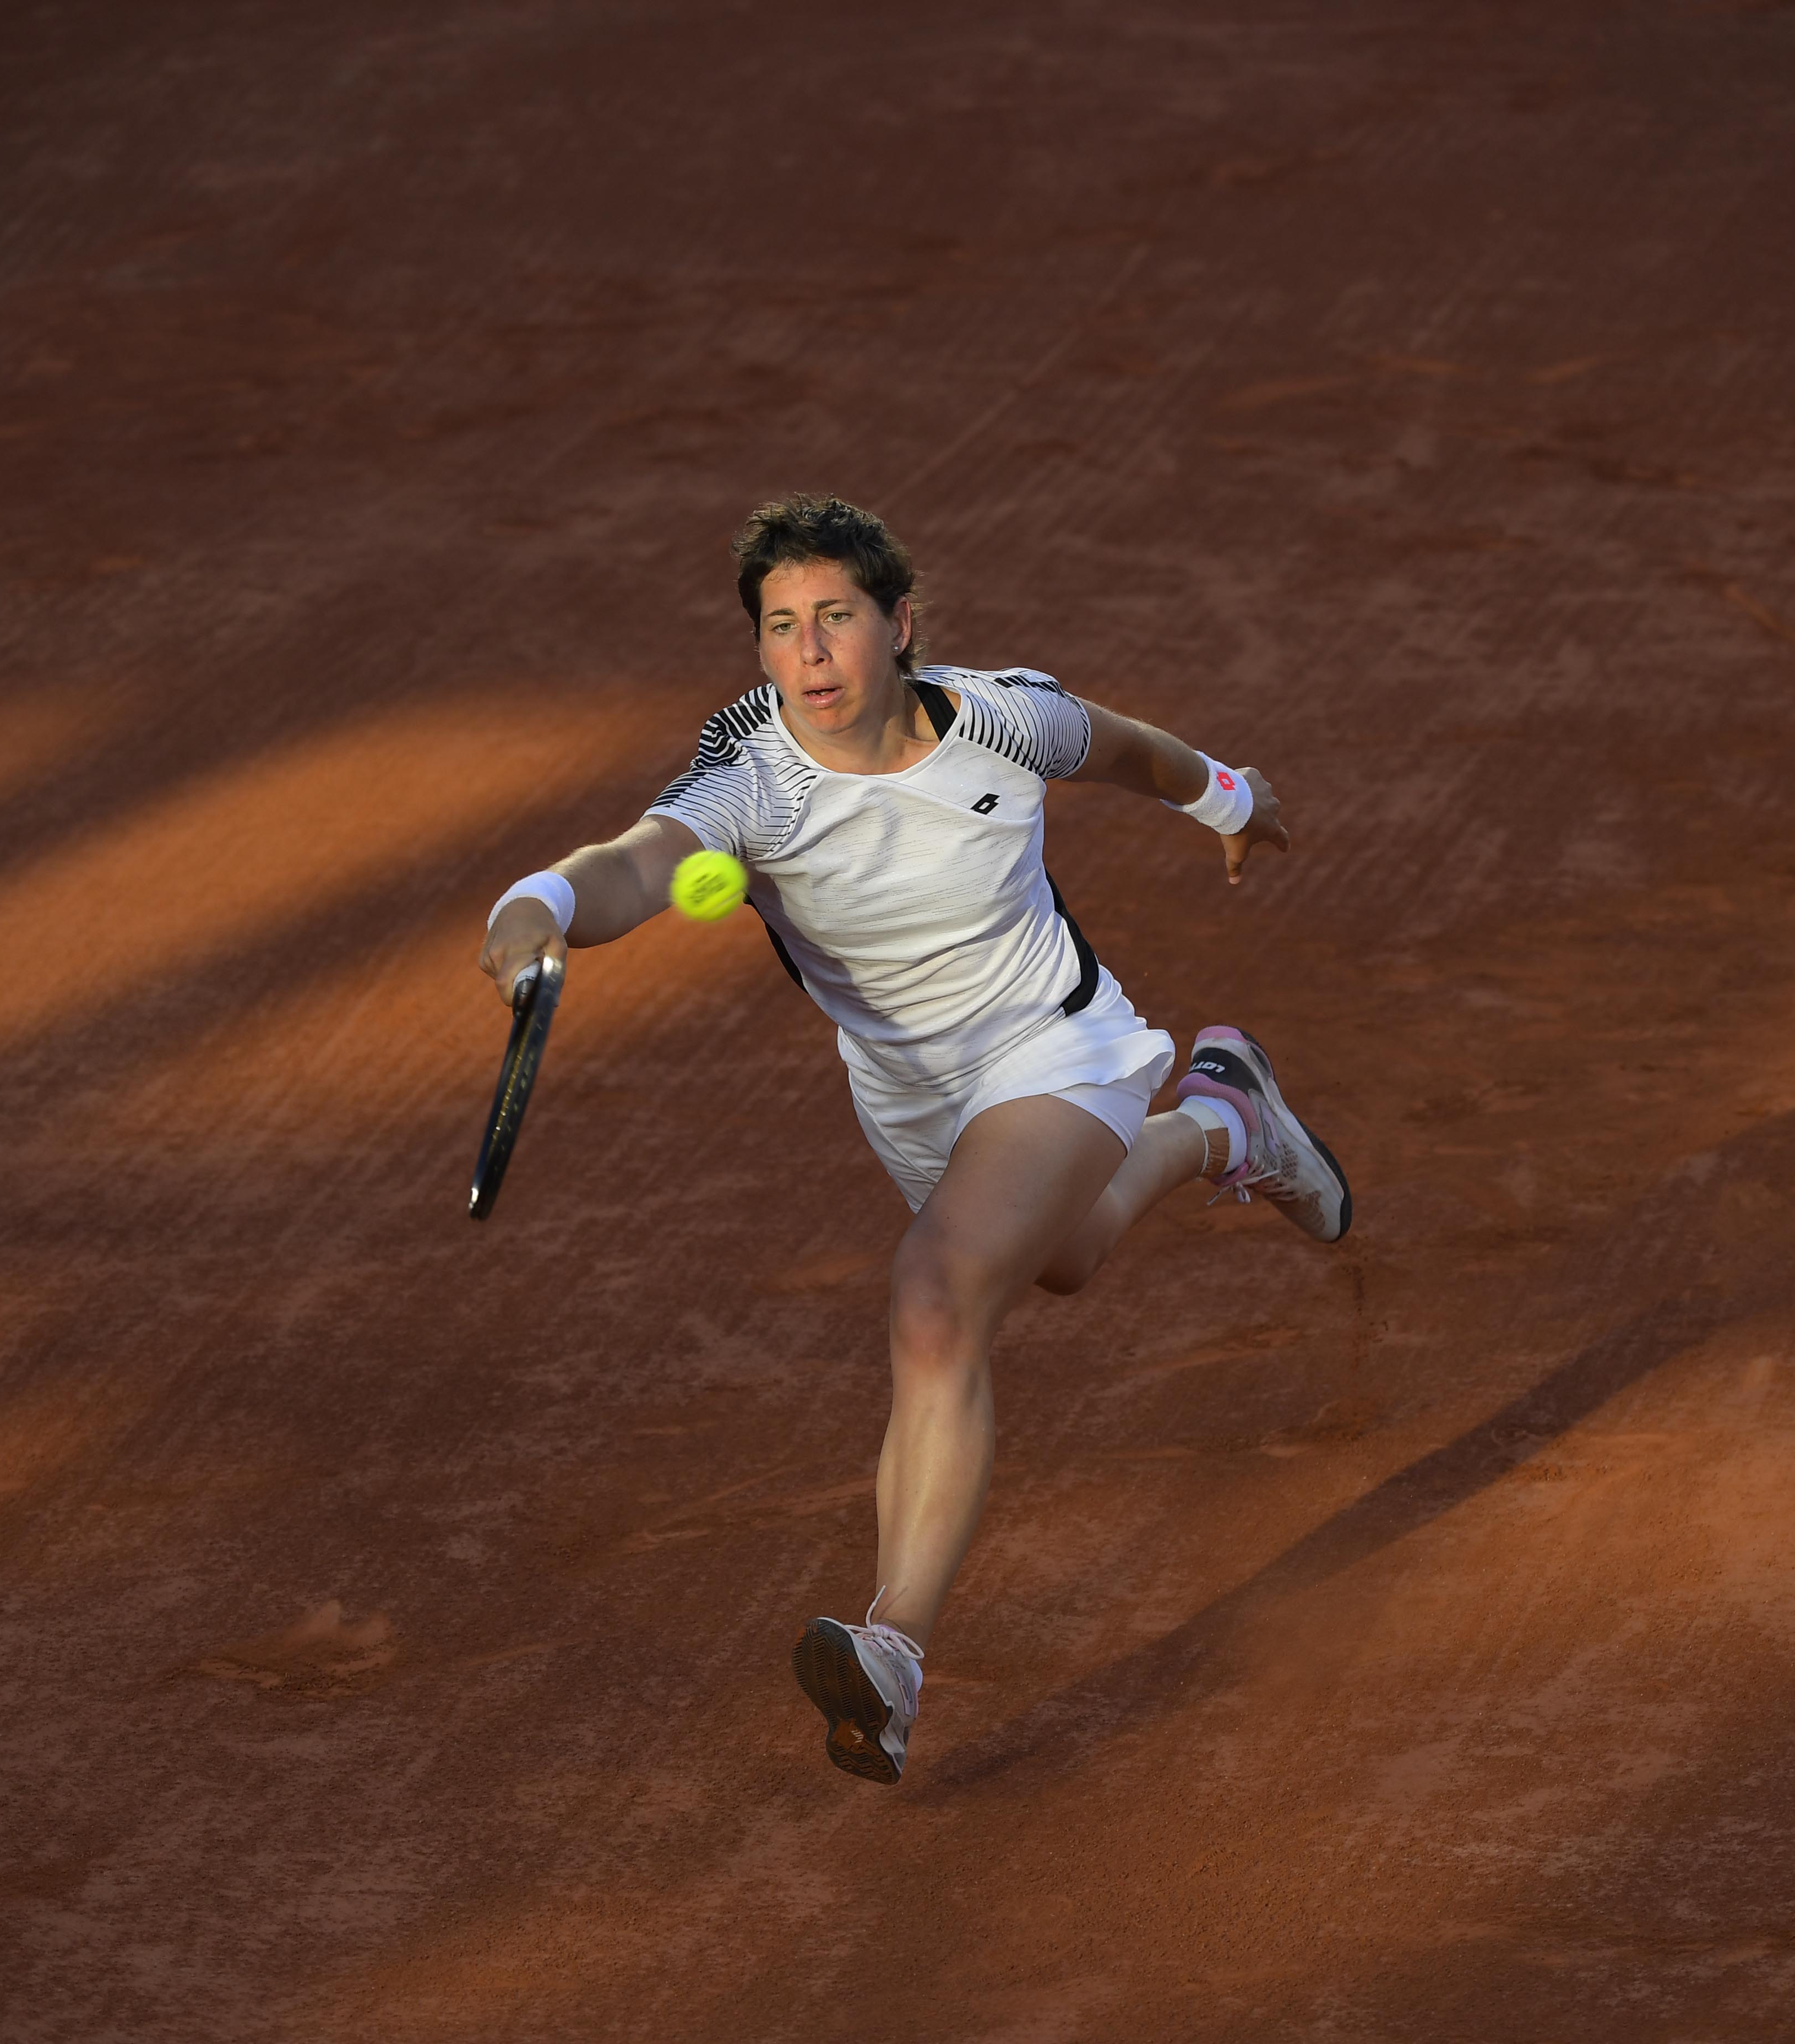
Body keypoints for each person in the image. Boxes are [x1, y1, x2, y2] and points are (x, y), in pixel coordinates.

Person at [477, 494, 1351, 1785]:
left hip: (1056, 1048)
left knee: (937, 1296)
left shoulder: (998, 716)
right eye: (781, 628)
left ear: (901, 626)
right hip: (910, 1096)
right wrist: (537, 901)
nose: (811, 654)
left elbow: (1125, 750)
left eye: (836, 618)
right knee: (1065, 1256)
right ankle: (1228, 1121)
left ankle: (892, 1650)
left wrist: (1225, 796)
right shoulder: (752, 776)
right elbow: (638, 860)